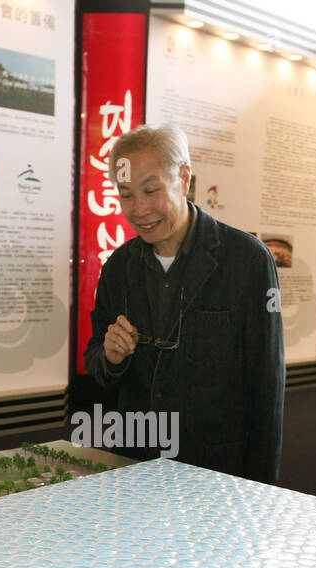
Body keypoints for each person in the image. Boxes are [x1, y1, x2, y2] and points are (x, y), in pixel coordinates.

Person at [83, 124, 285, 483]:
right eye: (126, 194)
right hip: (135, 465)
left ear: (184, 178)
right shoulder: (118, 267)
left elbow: (266, 389)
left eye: (151, 190)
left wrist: (261, 492)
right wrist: (111, 358)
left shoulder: (247, 261)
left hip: (214, 474)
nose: (140, 209)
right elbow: (96, 361)